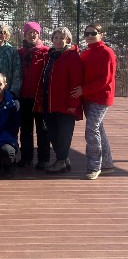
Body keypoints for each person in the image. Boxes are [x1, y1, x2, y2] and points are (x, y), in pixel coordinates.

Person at [34, 27, 83, 174]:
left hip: (66, 104)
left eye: (61, 38)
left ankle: (61, 161)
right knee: (52, 133)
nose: (57, 40)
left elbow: (76, 82)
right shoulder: (51, 55)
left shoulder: (72, 56)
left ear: (68, 40)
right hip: (49, 103)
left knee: (64, 134)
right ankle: (64, 159)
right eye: (55, 37)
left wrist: (73, 105)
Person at [72, 24, 117, 180]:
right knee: (98, 129)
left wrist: (83, 90)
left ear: (101, 34)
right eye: (87, 33)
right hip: (88, 98)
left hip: (101, 98)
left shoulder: (107, 53)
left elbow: (105, 80)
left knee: (92, 129)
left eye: (93, 33)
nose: (90, 36)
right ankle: (107, 164)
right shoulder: (86, 52)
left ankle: (94, 166)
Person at [17, 22, 50, 170]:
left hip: (40, 97)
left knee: (42, 129)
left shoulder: (46, 52)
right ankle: (26, 158)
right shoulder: (20, 53)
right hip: (24, 96)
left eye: (34, 32)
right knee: (25, 129)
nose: (32, 35)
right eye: (29, 32)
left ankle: (43, 159)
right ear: (24, 35)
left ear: (39, 34)